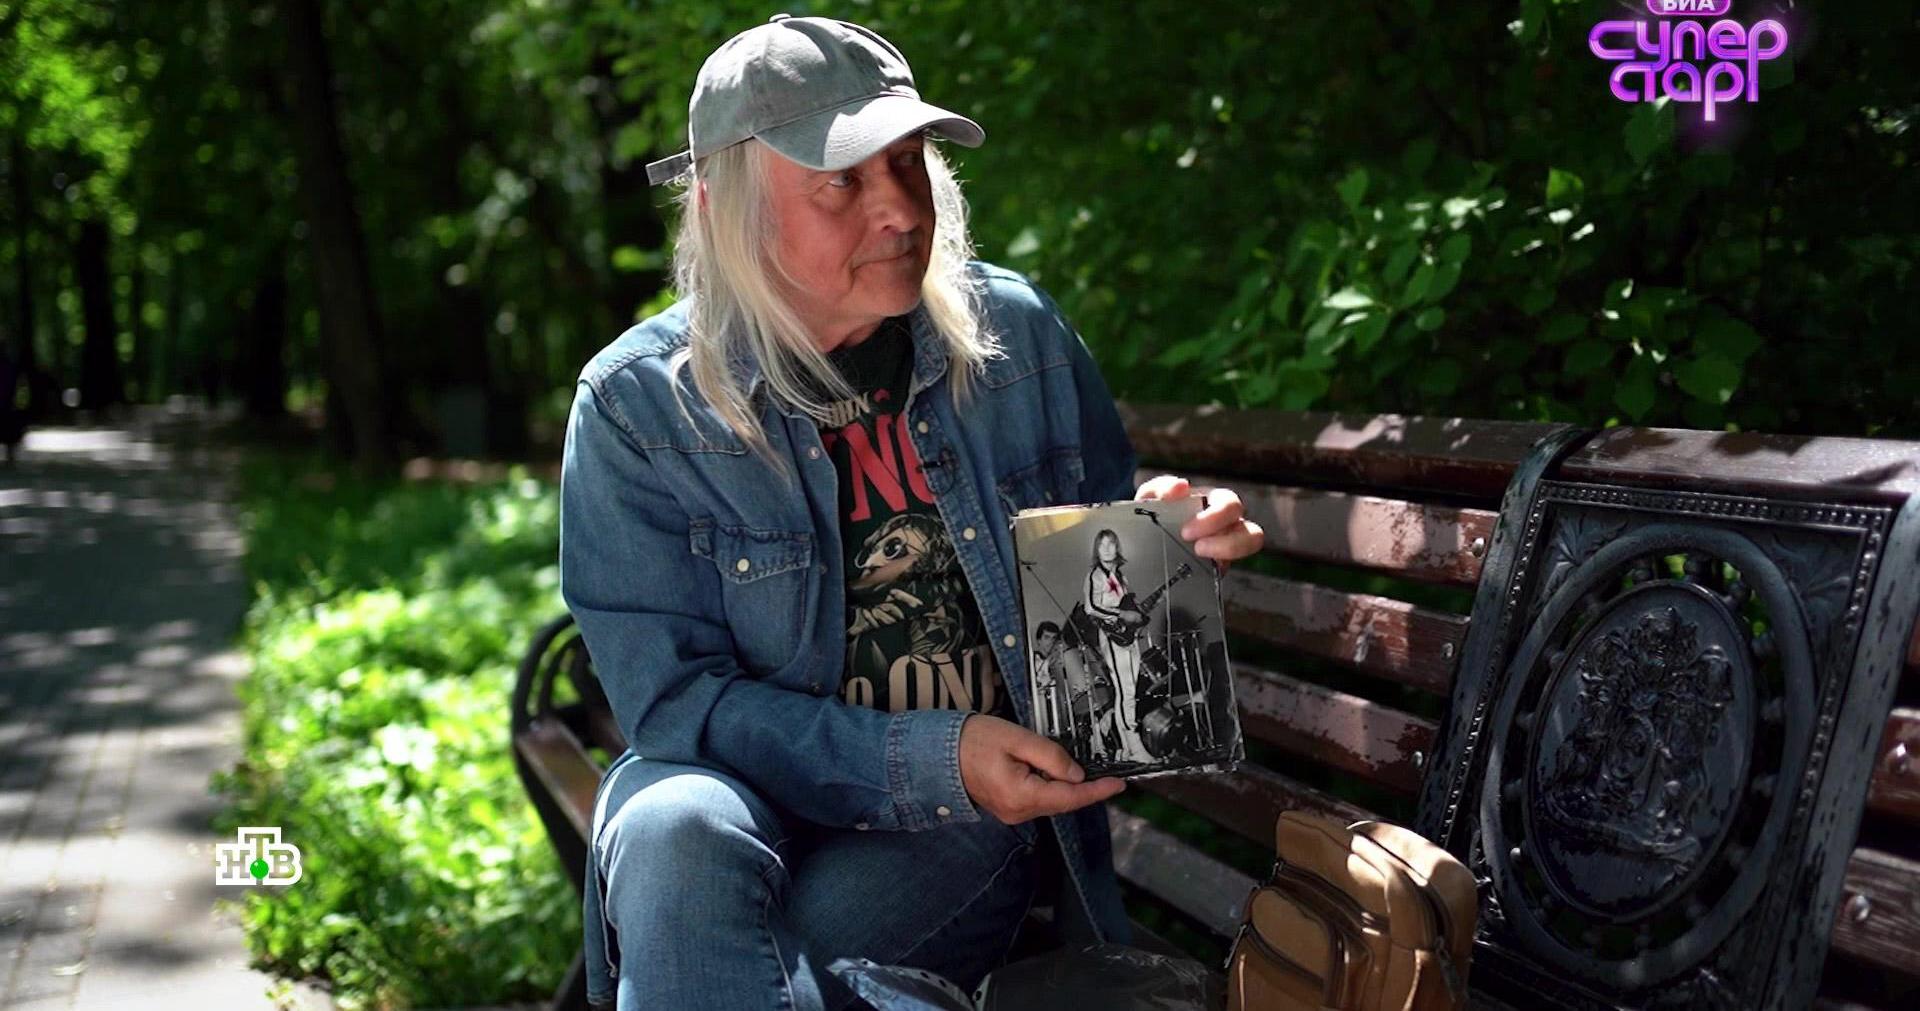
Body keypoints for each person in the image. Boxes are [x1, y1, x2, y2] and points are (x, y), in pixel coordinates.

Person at [558, 14, 1264, 1011]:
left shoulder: (1018, 339)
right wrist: (926, 755)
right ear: (723, 207)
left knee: (731, 975)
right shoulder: (639, 407)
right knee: (673, 828)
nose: (898, 208)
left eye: (907, 162)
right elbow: (676, 707)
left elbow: (1116, 657)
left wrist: (1175, 553)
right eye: (841, 181)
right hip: (737, 805)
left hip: (957, 824)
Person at [1082, 528, 1152, 759]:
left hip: (1128, 638)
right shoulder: (1095, 575)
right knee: (1126, 690)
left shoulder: (1121, 577)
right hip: (1112, 638)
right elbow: (1091, 607)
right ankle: (1135, 746)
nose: (1107, 549)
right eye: (1102, 545)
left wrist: (1138, 617)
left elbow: (1129, 609)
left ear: (1117, 547)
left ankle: (1127, 748)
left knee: (1128, 691)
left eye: (1111, 544)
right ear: (1096, 549)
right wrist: (1122, 615)